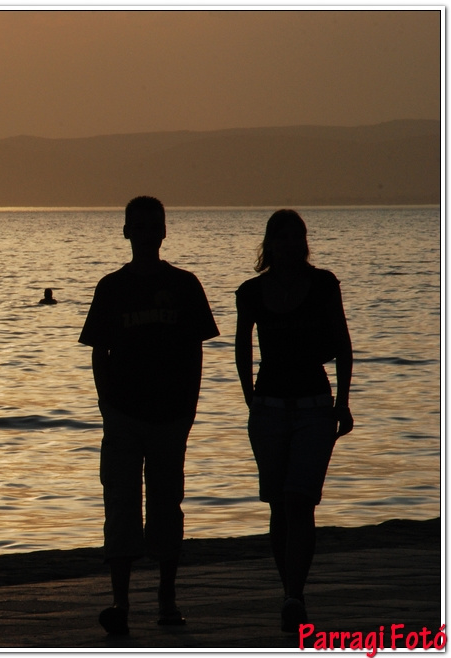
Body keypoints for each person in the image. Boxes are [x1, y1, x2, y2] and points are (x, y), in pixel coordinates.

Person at [79, 196, 219, 635]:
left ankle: (166, 597)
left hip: (170, 415)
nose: (143, 234)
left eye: (151, 227)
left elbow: (196, 350)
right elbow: (98, 351)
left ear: (162, 232)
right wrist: (106, 404)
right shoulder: (111, 287)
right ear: (126, 232)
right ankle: (120, 600)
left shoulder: (185, 285)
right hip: (123, 414)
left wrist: (190, 408)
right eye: (135, 227)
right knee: (120, 504)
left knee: (165, 505)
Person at [235, 210, 353, 633]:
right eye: (279, 238)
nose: (287, 244)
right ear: (268, 244)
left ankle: (295, 595)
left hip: (314, 408)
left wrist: (343, 401)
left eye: (294, 237)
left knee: (301, 501)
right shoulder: (250, 291)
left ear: (304, 242)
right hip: (268, 407)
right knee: (278, 505)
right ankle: (289, 590)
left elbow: (341, 342)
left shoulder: (323, 285)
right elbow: (242, 347)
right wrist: (251, 400)